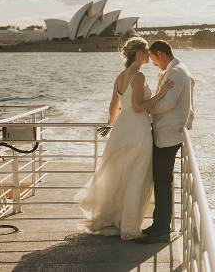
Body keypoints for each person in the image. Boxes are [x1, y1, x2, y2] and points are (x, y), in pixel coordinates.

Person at [76, 37, 174, 240]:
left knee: (120, 176)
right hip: (138, 130)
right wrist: (161, 93)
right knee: (136, 178)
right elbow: (139, 107)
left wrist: (110, 125)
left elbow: (113, 107)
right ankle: (129, 229)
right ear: (138, 54)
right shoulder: (138, 76)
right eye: (146, 51)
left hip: (121, 129)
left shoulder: (120, 77)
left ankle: (119, 221)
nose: (149, 55)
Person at [137, 39, 195, 244]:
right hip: (167, 133)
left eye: (153, 58)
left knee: (162, 183)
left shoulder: (176, 72)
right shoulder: (177, 69)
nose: (153, 63)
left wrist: (147, 107)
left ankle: (161, 230)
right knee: (162, 182)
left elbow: (167, 103)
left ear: (160, 54)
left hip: (168, 136)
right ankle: (158, 224)